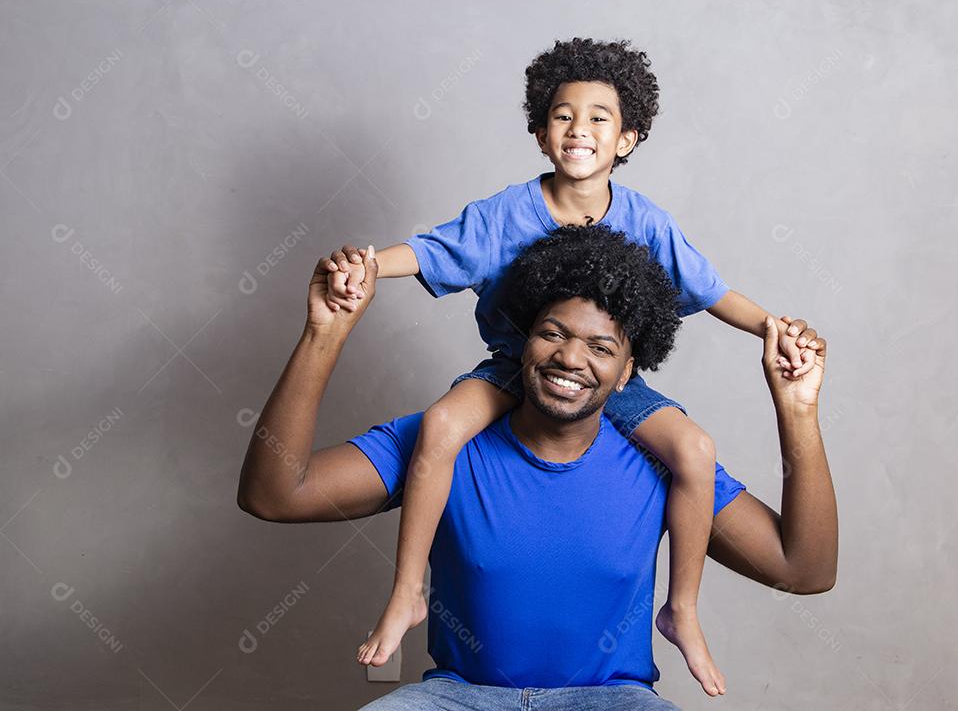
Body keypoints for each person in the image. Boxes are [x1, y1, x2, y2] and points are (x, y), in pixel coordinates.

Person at [323, 38, 822, 697]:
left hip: (611, 383)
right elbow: (429, 249)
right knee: (442, 426)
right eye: (562, 115)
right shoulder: (508, 212)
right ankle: (409, 593)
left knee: (696, 451)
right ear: (539, 131)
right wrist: (366, 265)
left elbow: (710, 289)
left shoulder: (645, 219)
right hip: (517, 368)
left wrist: (772, 326)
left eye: (598, 118)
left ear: (628, 138)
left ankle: (683, 611)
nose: (578, 130)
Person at [237, 225, 838, 709]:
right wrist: (325, 332)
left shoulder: (665, 464)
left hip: (611, 703)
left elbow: (803, 570)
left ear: (629, 372)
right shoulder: (442, 445)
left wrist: (798, 411)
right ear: (523, 341)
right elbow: (275, 494)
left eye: (602, 347)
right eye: (553, 333)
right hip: (459, 698)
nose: (571, 357)